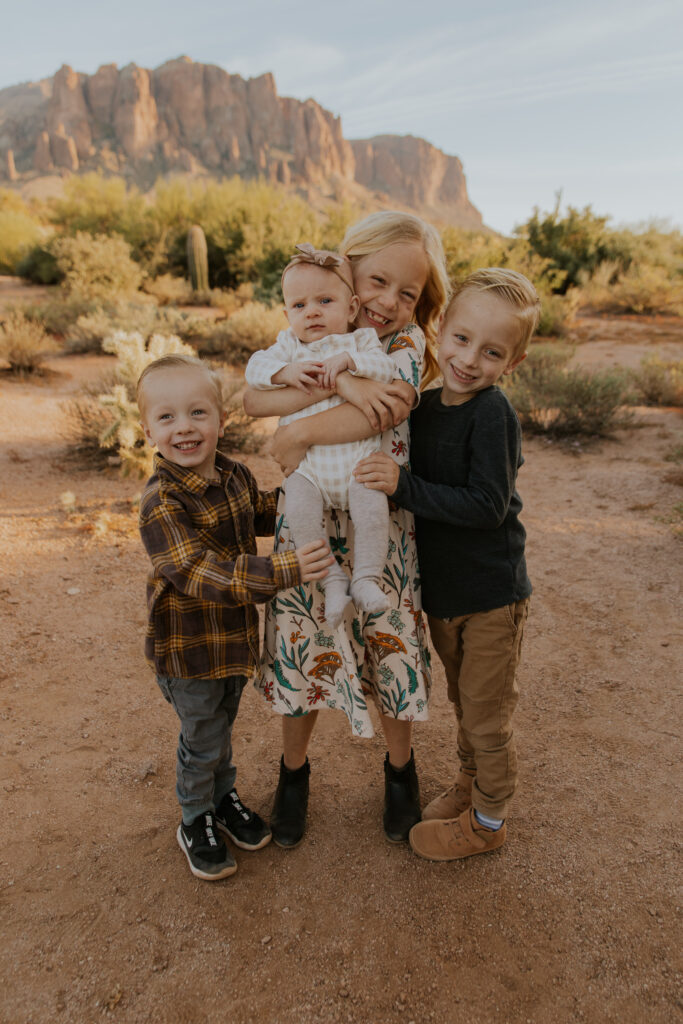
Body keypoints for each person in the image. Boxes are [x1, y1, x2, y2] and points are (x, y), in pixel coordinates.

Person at [242, 211, 449, 847]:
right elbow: (254, 399)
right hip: (307, 524)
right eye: (379, 282)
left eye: (407, 292)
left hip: (377, 523)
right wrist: (323, 390)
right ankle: (294, 774)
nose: (389, 301)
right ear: (349, 270)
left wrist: (298, 431)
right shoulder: (311, 323)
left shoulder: (405, 345)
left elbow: (379, 414)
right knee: (302, 642)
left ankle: (399, 770)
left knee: (387, 640)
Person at [354, 267, 541, 860]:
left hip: (490, 595)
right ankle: (469, 783)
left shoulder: (492, 415)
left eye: (491, 352)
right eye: (460, 339)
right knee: (466, 702)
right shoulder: (429, 407)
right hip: (447, 597)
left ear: (513, 360)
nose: (469, 359)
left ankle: (488, 821)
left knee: (487, 716)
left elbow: (488, 506)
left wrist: (404, 487)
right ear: (441, 327)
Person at [137, 354, 332, 880]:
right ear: (147, 429)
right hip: (189, 647)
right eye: (168, 417)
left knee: (221, 726)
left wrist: (310, 491)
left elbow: (264, 510)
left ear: (221, 421)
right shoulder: (161, 501)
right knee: (202, 735)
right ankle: (194, 817)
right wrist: (284, 569)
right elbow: (196, 571)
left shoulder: (234, 475)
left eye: (199, 413)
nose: (185, 428)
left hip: (232, 642)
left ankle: (223, 800)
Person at [244, 243, 396, 629]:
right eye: (299, 306)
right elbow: (254, 367)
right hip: (308, 469)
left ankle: (366, 578)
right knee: (299, 514)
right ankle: (332, 580)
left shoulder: (360, 341)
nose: (311, 311)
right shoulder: (288, 347)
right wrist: (282, 374)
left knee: (373, 513)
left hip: (356, 465)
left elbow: (384, 366)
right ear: (286, 314)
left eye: (324, 300)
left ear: (350, 308)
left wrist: (349, 363)